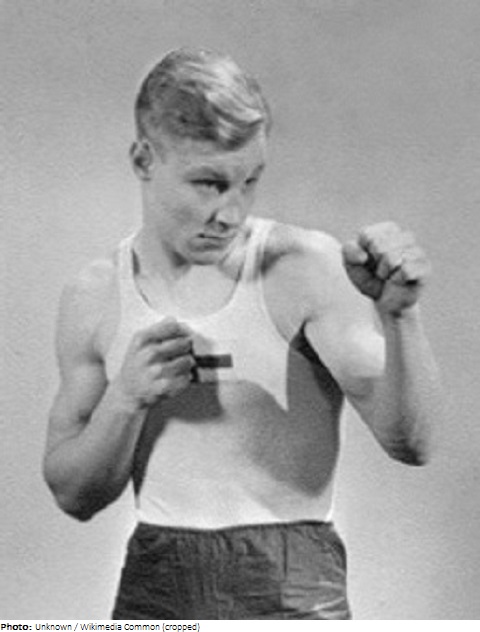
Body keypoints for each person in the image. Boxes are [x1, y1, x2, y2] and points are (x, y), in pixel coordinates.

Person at [43, 47, 440, 620]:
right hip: (156, 582)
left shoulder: (302, 268)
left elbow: (413, 444)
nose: (230, 213)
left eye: (248, 182)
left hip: (293, 583)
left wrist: (400, 318)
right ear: (143, 159)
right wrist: (124, 400)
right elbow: (72, 494)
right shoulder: (96, 293)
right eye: (208, 183)